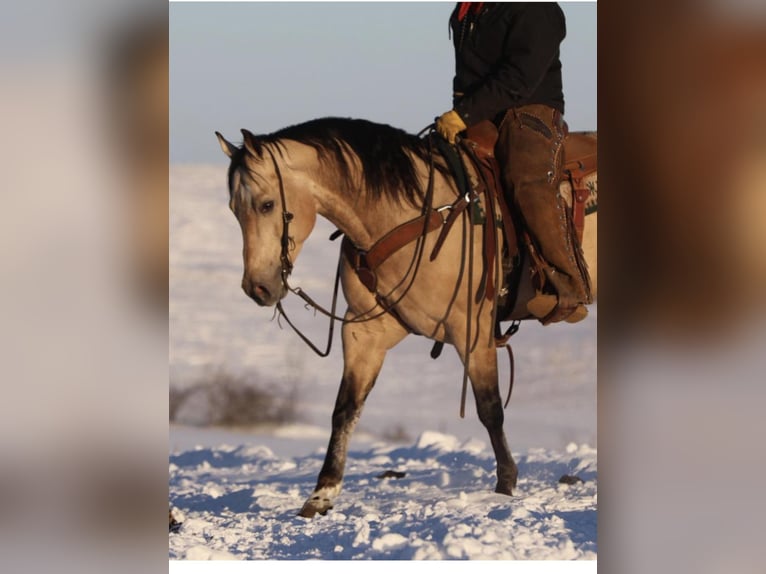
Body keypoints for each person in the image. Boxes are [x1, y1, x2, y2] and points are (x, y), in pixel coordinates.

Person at [436, 2, 592, 324]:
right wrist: (461, 117)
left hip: (528, 111)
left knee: (527, 181)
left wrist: (463, 114)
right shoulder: (470, 9)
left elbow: (520, 75)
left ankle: (567, 286)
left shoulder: (535, 8)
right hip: (480, 115)